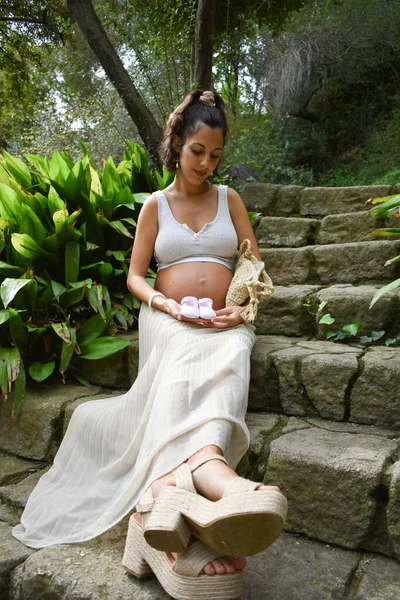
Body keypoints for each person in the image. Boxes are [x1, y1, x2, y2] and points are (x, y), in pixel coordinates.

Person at [12, 90, 287, 600]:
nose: (206, 163)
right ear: (177, 145)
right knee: (184, 350)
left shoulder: (231, 200)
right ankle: (208, 473)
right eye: (197, 151)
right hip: (167, 316)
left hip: (224, 317)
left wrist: (242, 307)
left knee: (229, 350)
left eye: (216, 155)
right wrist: (165, 305)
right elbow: (136, 277)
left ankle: (175, 485)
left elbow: (254, 265)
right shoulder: (155, 206)